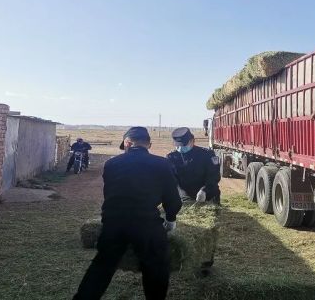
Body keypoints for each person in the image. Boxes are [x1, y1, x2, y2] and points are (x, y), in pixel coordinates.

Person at [73, 127, 182, 300]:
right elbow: (173, 199)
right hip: (146, 223)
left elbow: (111, 194)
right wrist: (170, 219)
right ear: (149, 145)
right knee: (156, 266)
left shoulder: (112, 164)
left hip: (113, 222)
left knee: (102, 266)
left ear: (127, 143)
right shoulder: (162, 163)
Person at [167, 127, 221, 204]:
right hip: (184, 199)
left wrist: (204, 190)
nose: (181, 148)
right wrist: (182, 194)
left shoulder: (207, 155)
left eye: (183, 145)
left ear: (192, 140)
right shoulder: (172, 157)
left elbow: (214, 176)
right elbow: (172, 179)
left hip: (207, 197)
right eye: (178, 146)